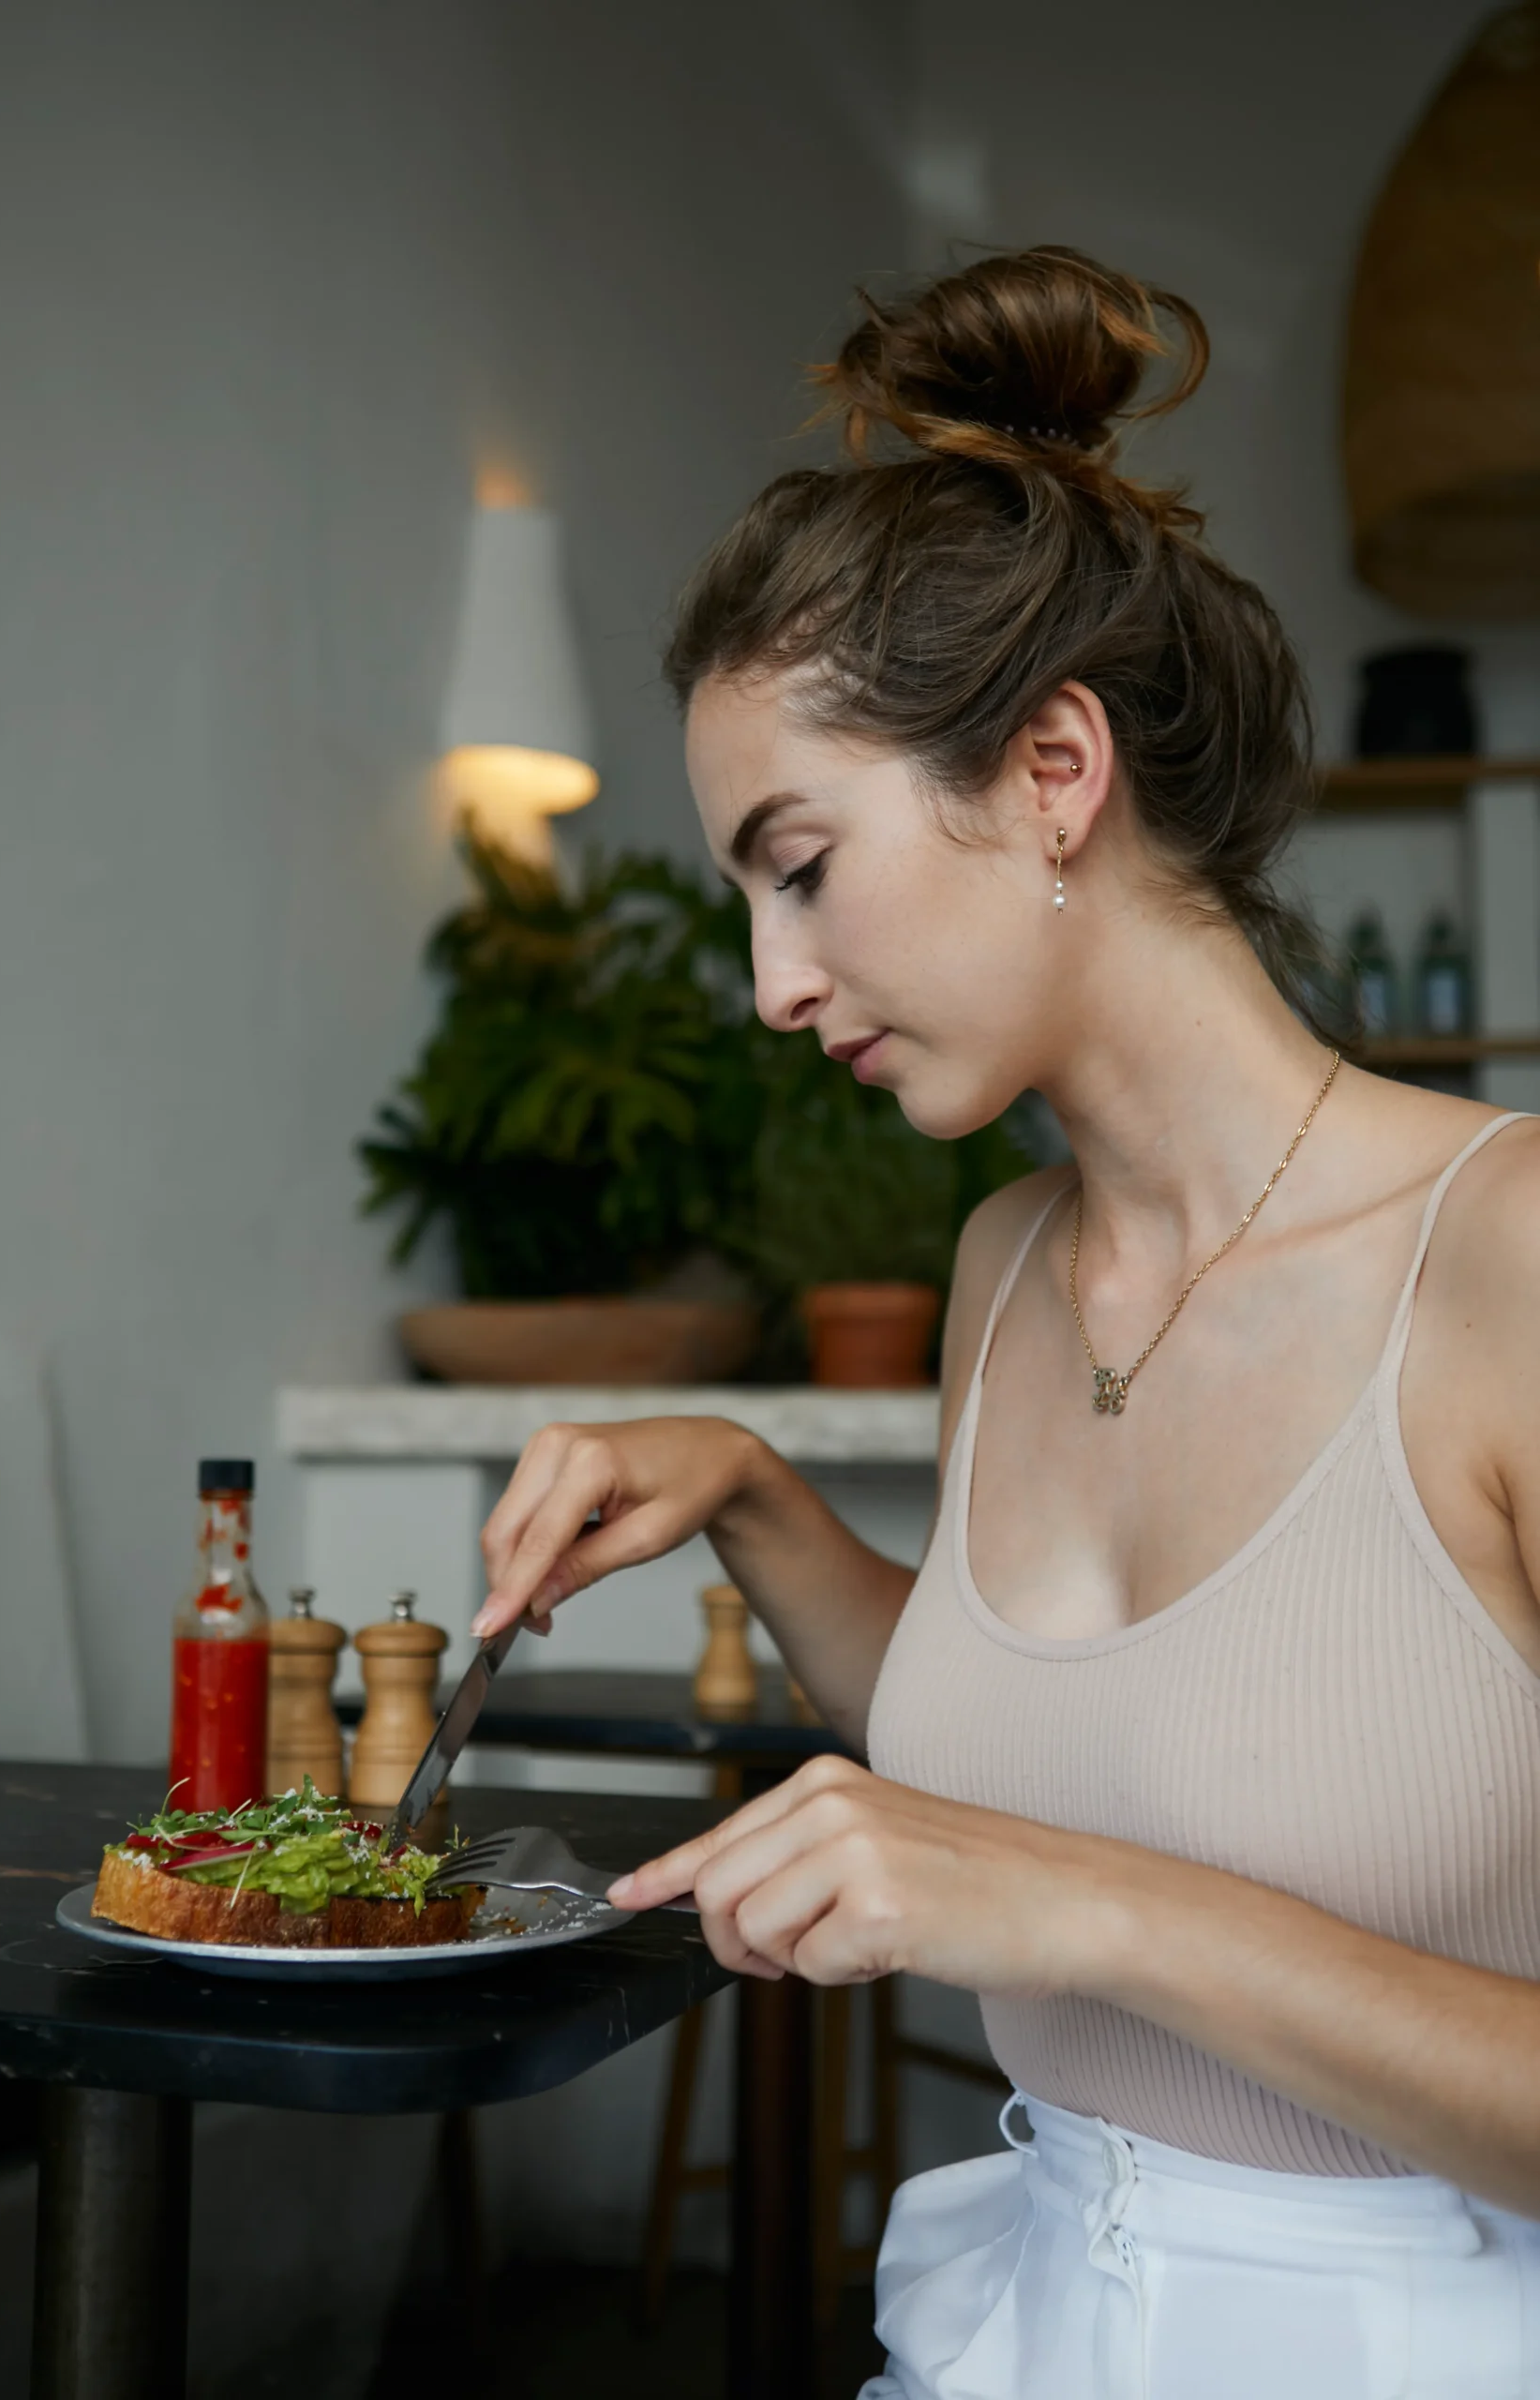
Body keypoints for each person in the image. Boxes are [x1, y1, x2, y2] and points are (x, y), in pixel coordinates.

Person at [471, 248, 1540, 2396]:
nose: (772, 984)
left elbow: (1056, 1851)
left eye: (800, 863)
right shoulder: (1005, 1269)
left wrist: (1083, 1903)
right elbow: (1048, 1732)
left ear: (1053, 768)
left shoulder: (1504, 1258)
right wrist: (760, 1502)